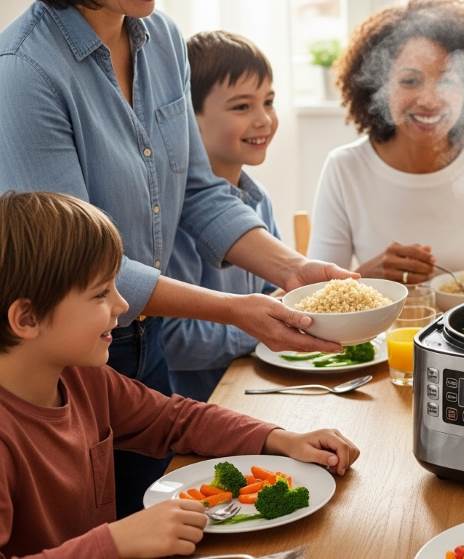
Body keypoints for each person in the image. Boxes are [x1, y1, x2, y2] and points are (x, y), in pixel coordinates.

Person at [0, 0, 357, 515]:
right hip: (82, 340)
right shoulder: (23, 70)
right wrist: (235, 310)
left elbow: (195, 190)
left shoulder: (160, 34)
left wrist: (293, 269)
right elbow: (69, 259)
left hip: (146, 337)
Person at [0, 191, 360, 559]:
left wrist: (279, 439)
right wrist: (117, 542)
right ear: (27, 319)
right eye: (100, 295)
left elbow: (175, 419)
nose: (124, 306)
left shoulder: (83, 378)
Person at [307, 0, 464, 285]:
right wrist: (364, 277)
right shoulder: (346, 168)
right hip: (386, 330)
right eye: (410, 81)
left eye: (447, 81)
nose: (428, 100)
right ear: (379, 87)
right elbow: (316, 296)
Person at [161, 31, 281, 402]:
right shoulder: (177, 218)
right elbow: (174, 342)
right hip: (199, 406)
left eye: (269, 101)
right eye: (242, 107)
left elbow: (272, 295)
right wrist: (260, 329)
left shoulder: (258, 201)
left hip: (253, 391)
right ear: (189, 120)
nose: (263, 119)